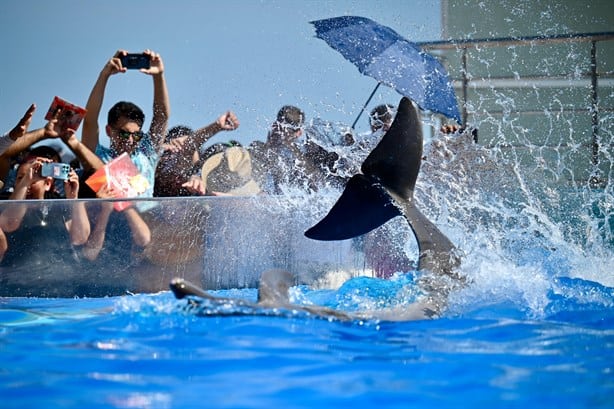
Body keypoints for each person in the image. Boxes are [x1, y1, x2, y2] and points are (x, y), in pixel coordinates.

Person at [81, 49, 170, 199]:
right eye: (123, 133)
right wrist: (104, 75)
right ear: (109, 130)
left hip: (144, 220)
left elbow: (161, 117)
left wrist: (158, 76)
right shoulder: (98, 156)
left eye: (136, 136)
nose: (130, 140)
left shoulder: (146, 153)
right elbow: (90, 119)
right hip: (109, 221)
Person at [154, 111, 240, 197]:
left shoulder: (208, 175)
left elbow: (190, 145)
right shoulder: (156, 171)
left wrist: (217, 126)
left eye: (190, 150)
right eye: (171, 152)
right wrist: (157, 148)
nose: (182, 154)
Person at [248, 105, 320, 194]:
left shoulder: (303, 160)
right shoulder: (258, 150)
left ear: (299, 133)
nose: (277, 129)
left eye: (285, 128)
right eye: (277, 125)